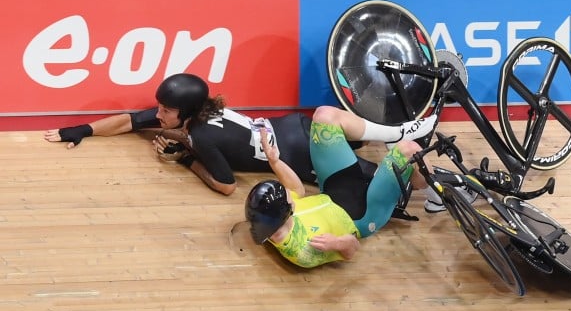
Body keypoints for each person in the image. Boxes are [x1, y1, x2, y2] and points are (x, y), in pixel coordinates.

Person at [44, 73, 438, 197]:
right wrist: (80, 130)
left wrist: (187, 160)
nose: (157, 113)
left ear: (185, 113)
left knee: (402, 182)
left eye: (164, 110)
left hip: (305, 160)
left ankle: (441, 187)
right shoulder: (199, 110)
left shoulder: (200, 136)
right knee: (331, 117)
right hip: (295, 125)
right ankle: (394, 134)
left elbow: (226, 185)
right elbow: (130, 120)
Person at [245, 111, 430, 268]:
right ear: (286, 210)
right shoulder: (302, 249)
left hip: (334, 192)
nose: (287, 191)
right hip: (363, 215)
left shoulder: (270, 220)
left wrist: (275, 162)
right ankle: (431, 190)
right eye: (286, 195)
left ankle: (392, 133)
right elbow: (352, 248)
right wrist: (338, 243)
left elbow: (296, 189)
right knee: (409, 150)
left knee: (324, 116)